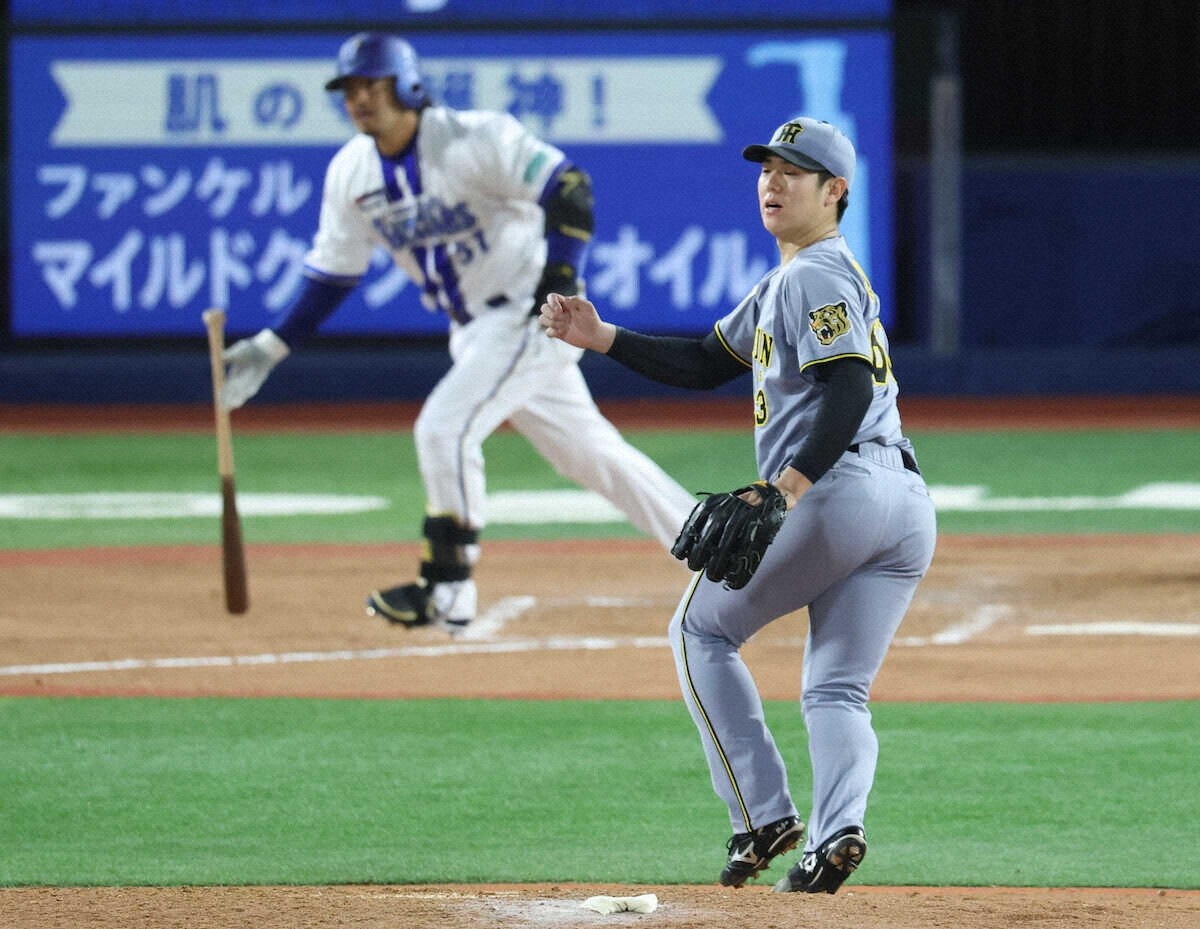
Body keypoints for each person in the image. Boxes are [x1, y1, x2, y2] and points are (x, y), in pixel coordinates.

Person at [540, 116, 937, 894]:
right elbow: (702, 362)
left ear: (835, 190)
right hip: (904, 507)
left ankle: (762, 814)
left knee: (698, 629)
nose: (772, 181)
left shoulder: (814, 273)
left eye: (794, 171)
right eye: (766, 168)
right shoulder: (792, 279)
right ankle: (835, 833)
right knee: (836, 687)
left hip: (842, 491)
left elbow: (849, 385)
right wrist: (605, 335)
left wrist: (788, 486)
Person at [221, 32, 696, 630]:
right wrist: (272, 345)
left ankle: (447, 590)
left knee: (444, 427)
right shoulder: (351, 172)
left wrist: (558, 278)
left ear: (406, 84)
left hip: (529, 315)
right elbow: (333, 273)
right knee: (591, 455)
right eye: (350, 88)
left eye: (372, 84)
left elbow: (569, 187)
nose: (360, 98)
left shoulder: (474, 138)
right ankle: (715, 550)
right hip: (473, 331)